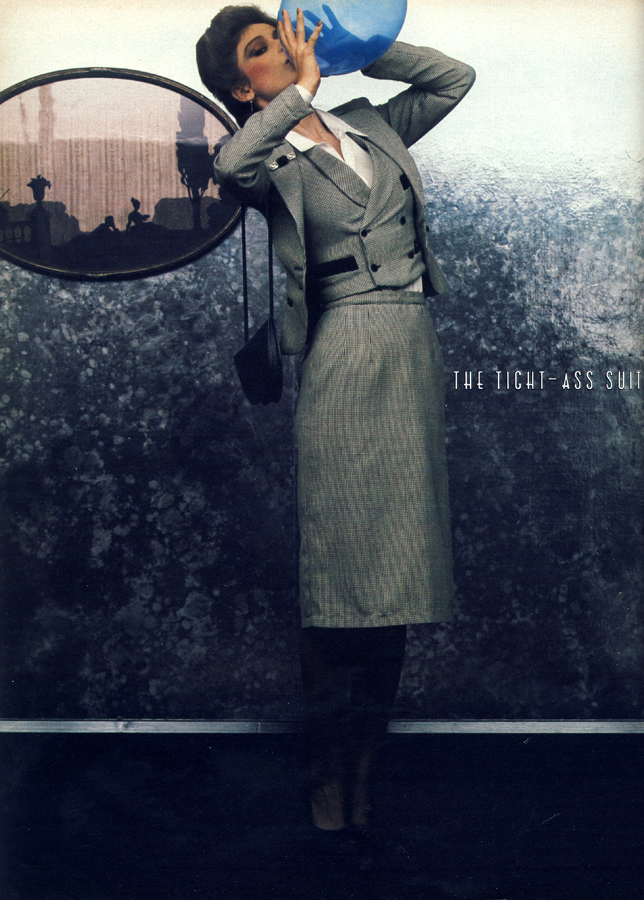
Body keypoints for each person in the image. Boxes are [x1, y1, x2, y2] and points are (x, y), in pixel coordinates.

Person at [197, 5, 475, 833]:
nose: (286, 46)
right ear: (241, 88)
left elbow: (453, 78)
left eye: (283, 32)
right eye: (263, 47)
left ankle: (364, 771)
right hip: (343, 353)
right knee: (338, 587)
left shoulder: (370, 123)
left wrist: (361, 47)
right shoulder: (266, 153)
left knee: (396, 582)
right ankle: (326, 775)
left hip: (409, 348)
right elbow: (228, 164)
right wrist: (302, 90)